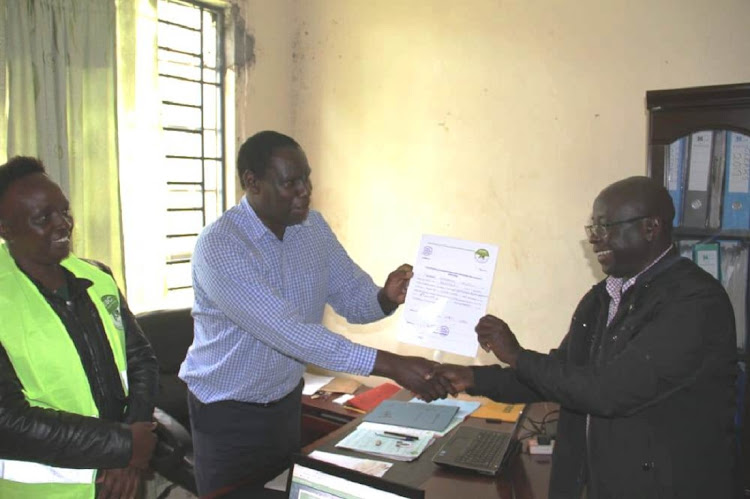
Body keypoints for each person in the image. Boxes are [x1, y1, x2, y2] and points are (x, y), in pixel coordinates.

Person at [179, 131, 449, 496]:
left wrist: (385, 297)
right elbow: (288, 331)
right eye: (290, 182)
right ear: (252, 182)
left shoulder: (312, 228)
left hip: (285, 405)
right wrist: (392, 365)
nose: (305, 190)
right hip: (228, 414)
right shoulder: (220, 246)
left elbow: (353, 297)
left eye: (306, 178)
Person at [432, 176, 738, 499]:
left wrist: (517, 355)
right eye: (593, 229)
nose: (595, 240)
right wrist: (470, 378)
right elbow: (558, 374)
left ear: (651, 228)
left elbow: (608, 391)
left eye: (606, 227)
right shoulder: (601, 298)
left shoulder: (695, 302)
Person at [0, 157, 159, 499]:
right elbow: (7, 421)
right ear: (6, 228)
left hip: (120, 483)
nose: (64, 225)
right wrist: (122, 446)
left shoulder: (97, 277)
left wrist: (130, 451)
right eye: (43, 218)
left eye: (64, 211)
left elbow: (140, 360)